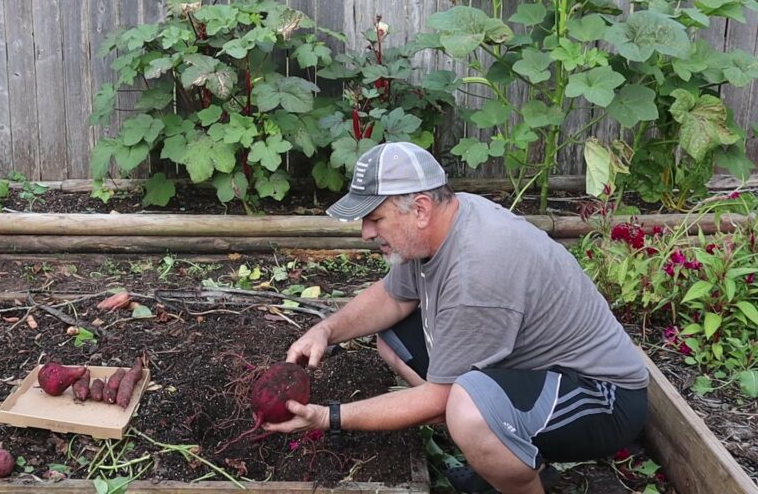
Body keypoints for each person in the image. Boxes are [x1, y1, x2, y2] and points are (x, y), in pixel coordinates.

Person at [263, 142, 649, 494]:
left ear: (419, 209)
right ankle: (505, 450)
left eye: (374, 219)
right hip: (531, 367)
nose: (365, 233)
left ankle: (517, 471)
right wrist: (325, 330)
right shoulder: (442, 223)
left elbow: (439, 400)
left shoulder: (477, 270)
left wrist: (329, 417)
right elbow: (392, 298)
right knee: (392, 335)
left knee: (465, 409)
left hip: (601, 397)